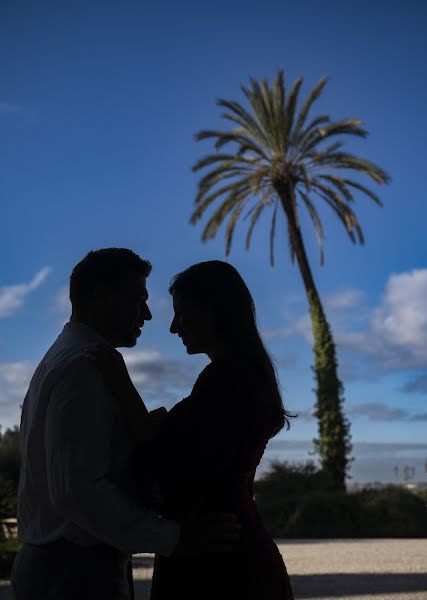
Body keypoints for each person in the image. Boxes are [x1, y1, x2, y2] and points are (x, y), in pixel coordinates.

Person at [11, 249, 240, 600]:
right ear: (103, 296)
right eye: (138, 300)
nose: (147, 315)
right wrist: (173, 538)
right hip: (74, 575)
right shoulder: (82, 367)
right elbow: (78, 490)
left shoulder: (71, 359)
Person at [97, 260, 295, 599]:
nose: (174, 327)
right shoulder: (241, 376)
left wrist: (122, 386)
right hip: (227, 551)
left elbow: (175, 468)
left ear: (213, 310)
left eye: (182, 312)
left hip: (218, 562)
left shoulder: (226, 379)